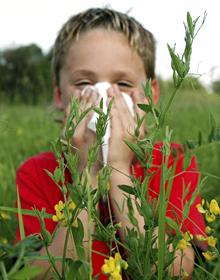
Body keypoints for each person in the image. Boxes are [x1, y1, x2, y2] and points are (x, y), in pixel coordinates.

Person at [15, 7, 206, 279]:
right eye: (84, 83)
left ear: (149, 95)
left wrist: (118, 168)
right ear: (60, 96)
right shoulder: (36, 173)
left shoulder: (173, 162)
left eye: (123, 84)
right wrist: (86, 172)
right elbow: (39, 274)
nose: (104, 99)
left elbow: (174, 270)